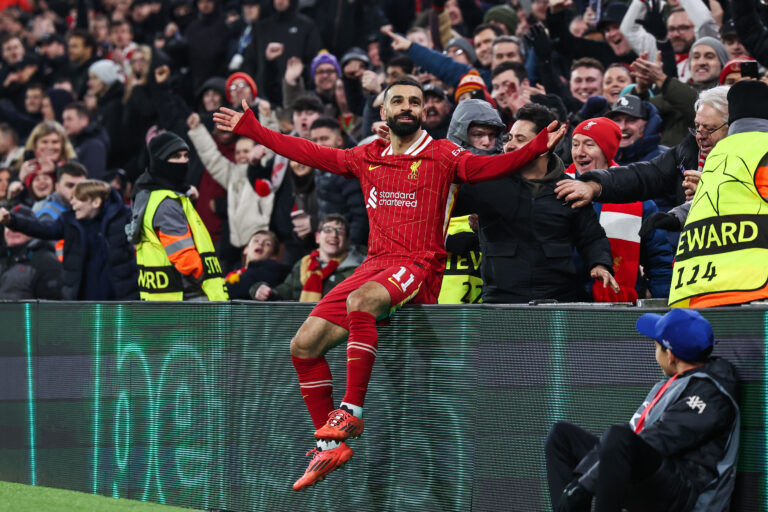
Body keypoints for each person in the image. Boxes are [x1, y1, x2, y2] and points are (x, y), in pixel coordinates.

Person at [213, 76, 567, 490]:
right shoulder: (368, 155)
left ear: (421, 112)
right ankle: (329, 446)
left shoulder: (443, 154)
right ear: (382, 112)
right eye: (397, 100)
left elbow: (489, 166)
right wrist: (254, 129)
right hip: (375, 264)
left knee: (362, 301)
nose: (406, 107)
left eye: (414, 102)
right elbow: (309, 151)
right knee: (303, 347)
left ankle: (352, 413)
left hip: (419, 262)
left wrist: (534, 147)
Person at [546, 308, 739, 512]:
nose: (654, 351)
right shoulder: (677, 381)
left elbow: (659, 440)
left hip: (687, 496)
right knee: (561, 436)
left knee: (619, 439)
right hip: (654, 477)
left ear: (671, 355)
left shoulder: (711, 394)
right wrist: (580, 483)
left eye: (656, 346)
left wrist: (585, 485)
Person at [454, 104, 618, 304]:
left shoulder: (571, 188)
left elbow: (592, 237)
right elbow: (441, 205)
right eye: (509, 138)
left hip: (558, 305)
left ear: (546, 143)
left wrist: (600, 264)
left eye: (520, 139)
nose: (510, 146)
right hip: (499, 305)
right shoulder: (485, 184)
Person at [667, 80, 768, 307]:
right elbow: (720, 201)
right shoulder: (717, 154)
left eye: (709, 128)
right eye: (697, 127)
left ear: (729, 123)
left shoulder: (728, 152)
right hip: (725, 285)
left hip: (736, 288)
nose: (701, 135)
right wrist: (677, 215)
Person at [566, 117, 673, 302]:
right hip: (562, 302)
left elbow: (659, 261)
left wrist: (664, 306)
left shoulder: (638, 200)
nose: (579, 152)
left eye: (589, 144)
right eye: (575, 145)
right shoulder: (556, 189)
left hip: (617, 309)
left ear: (607, 150)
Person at [127, 131, 229, 301]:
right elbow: (183, 256)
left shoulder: (148, 195)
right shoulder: (167, 203)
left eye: (186, 156)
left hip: (166, 300)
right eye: (175, 156)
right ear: (159, 161)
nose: (183, 161)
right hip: (188, 297)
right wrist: (202, 276)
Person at [0, 180, 138, 300]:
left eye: (78, 199)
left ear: (95, 202)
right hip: (81, 300)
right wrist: (12, 221)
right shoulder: (69, 221)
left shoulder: (123, 217)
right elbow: (42, 228)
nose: (72, 203)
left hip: (120, 298)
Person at [252, 214, 363, 301]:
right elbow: (282, 293)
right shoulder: (302, 265)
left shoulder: (359, 271)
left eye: (340, 231)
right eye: (328, 230)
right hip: (301, 326)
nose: (334, 235)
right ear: (317, 238)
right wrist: (260, 289)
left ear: (348, 241)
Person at [0, 204, 61, 300]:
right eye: (8, 226)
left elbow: (52, 311)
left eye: (18, 227)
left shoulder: (48, 263)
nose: (12, 231)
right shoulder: (3, 257)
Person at [225, 230, 289, 300]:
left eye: (267, 244)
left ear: (273, 256)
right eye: (256, 240)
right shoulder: (235, 272)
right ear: (246, 249)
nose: (260, 243)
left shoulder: (272, 271)